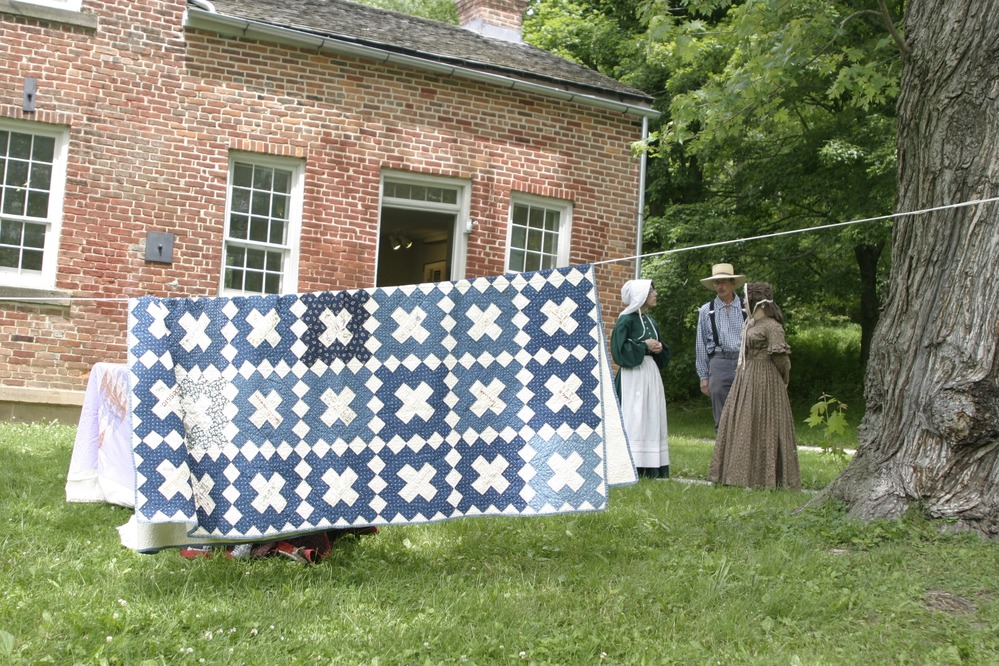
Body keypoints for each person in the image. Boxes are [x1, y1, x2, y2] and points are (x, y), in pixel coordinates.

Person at [708, 282, 801, 489]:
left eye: (746, 297)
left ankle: (765, 477)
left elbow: (780, 358)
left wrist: (784, 377)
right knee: (744, 422)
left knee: (763, 423)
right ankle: (739, 475)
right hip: (746, 377)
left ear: (756, 301)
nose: (743, 301)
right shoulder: (751, 324)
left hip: (765, 379)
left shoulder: (771, 326)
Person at [611, 279, 671, 479]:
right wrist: (643, 346)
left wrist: (659, 348)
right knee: (634, 416)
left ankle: (652, 466)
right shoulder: (625, 320)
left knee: (651, 414)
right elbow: (618, 353)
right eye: (651, 290)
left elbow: (660, 350)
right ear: (641, 294)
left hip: (650, 373)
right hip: (632, 377)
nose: (656, 294)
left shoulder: (651, 322)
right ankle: (631, 465)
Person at [695, 263, 747, 430]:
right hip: (719, 362)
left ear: (732, 283)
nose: (720, 286)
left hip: (744, 361)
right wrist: (703, 376)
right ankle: (723, 449)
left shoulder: (746, 307)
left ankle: (743, 450)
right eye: (717, 283)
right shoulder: (706, 310)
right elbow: (701, 345)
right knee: (721, 413)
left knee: (745, 409)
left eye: (723, 282)